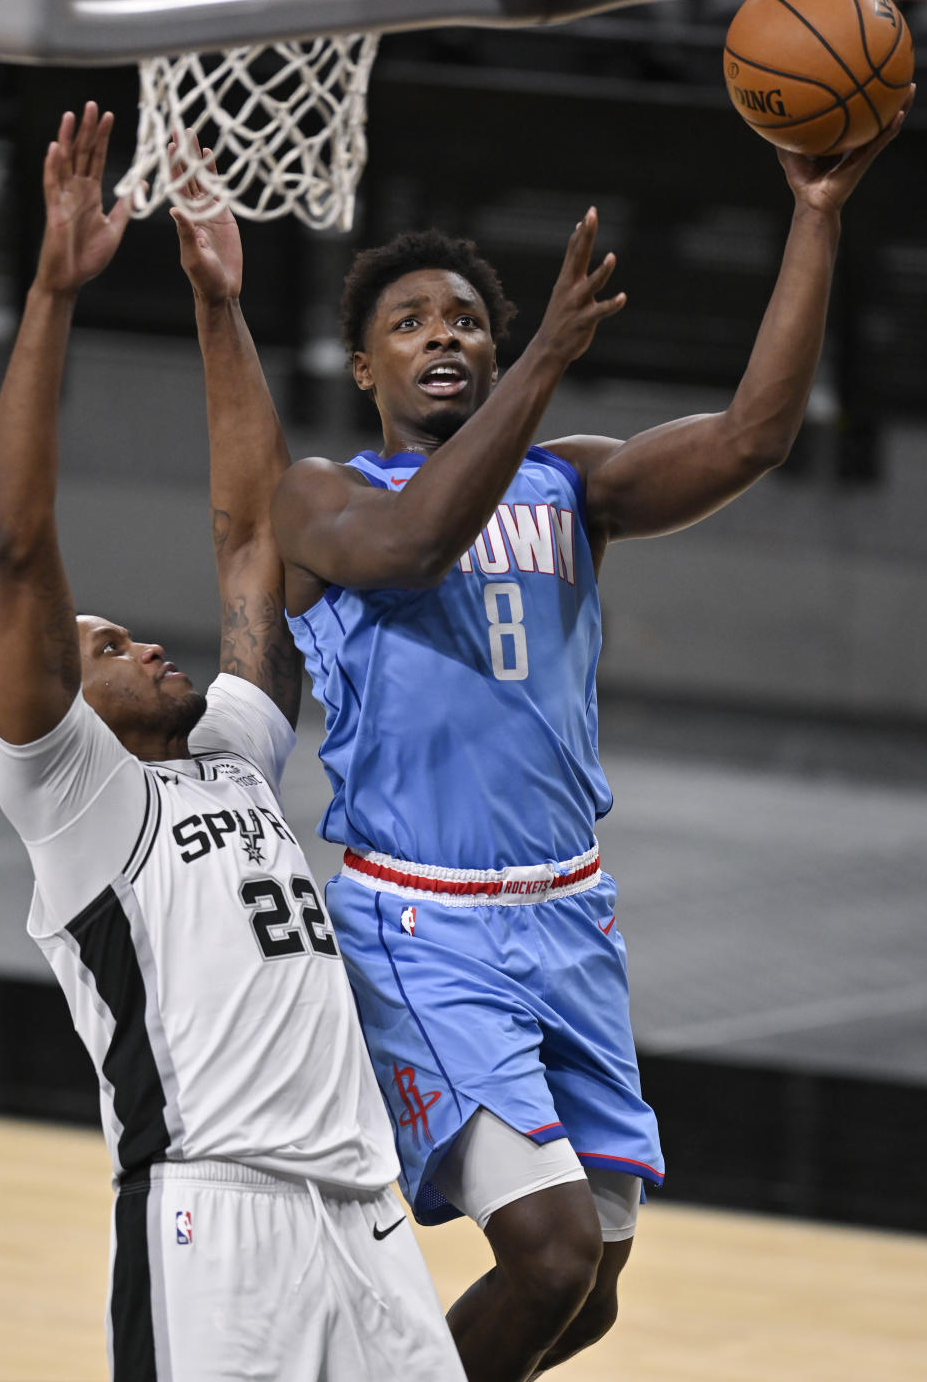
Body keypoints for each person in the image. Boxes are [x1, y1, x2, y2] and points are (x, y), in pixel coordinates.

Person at [268, 87, 915, 1382]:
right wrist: (546, 356)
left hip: (571, 915)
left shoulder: (572, 484)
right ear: (366, 367)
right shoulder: (327, 499)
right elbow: (417, 546)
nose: (443, 336)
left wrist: (815, 210)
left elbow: (752, 435)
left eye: (466, 321)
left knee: (590, 1297)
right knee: (550, 1255)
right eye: (411, 323)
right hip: (423, 926)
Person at [0, 103, 466, 1382]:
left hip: (363, 1215)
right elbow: (20, 549)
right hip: (214, 1216)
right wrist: (51, 293)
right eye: (106, 647)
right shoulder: (74, 798)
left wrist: (217, 306)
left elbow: (254, 539)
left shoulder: (232, 751)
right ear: (62, 705)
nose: (143, 644)